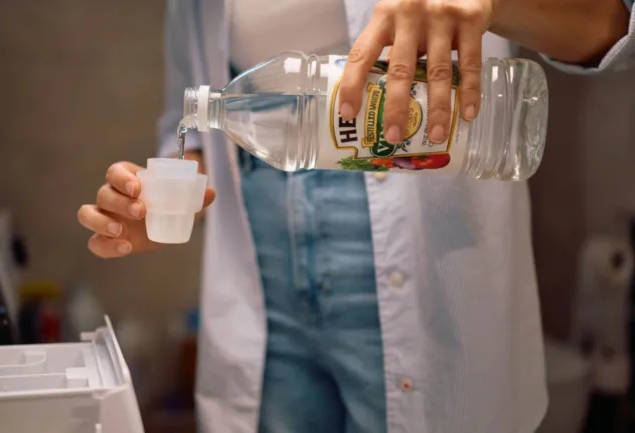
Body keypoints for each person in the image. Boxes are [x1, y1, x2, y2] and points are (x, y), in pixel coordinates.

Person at [78, 0, 635, 432]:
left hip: (430, 254)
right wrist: (153, 199)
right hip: (264, 288)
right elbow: (198, 115)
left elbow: (613, 27)